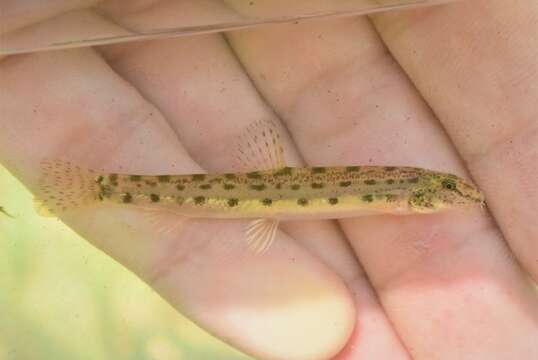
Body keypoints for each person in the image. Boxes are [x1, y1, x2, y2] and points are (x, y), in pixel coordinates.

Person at [0, 1, 537, 358]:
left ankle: (97, 188)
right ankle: (96, 187)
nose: (454, 196)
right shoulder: (407, 188)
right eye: (446, 193)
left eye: (450, 193)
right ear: (413, 197)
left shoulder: (411, 184)